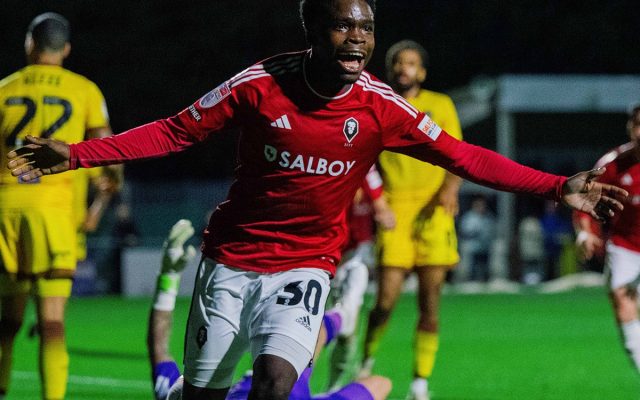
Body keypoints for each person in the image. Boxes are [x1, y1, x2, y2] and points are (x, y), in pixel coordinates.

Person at [6, 1, 627, 399]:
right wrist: (79, 153)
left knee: (276, 383)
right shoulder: (259, 86)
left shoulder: (382, 106)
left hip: (306, 265)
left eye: (367, 26)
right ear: (313, 29)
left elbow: (464, 157)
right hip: (231, 259)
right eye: (343, 25)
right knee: (204, 394)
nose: (358, 38)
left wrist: (554, 186)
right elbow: (173, 130)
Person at [0, 12, 117, 400]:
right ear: (65, 49)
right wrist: (106, 192)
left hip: (5, 206)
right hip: (54, 210)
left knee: (7, 319)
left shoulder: (4, 88)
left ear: (30, 44)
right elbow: (107, 152)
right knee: (51, 321)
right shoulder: (84, 89)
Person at [149, 219, 392, 400]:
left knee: (300, 341)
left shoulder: (193, 392)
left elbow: (158, 350)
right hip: (283, 390)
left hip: (262, 386)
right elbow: (383, 383)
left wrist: (168, 279)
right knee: (372, 381)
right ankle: (344, 315)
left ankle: (343, 316)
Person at [359, 39, 463, 400]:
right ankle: (366, 358)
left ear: (422, 71)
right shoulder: (378, 104)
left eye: (412, 63)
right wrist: (376, 203)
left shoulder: (440, 105)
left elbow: (458, 155)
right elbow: (361, 157)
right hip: (395, 209)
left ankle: (420, 382)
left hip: (434, 212)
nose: (405, 68)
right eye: (399, 63)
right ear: (391, 70)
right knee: (385, 300)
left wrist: (449, 190)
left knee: (429, 301)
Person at [573, 104, 640, 374]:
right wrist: (585, 232)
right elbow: (584, 202)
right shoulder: (612, 165)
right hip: (625, 247)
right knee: (622, 298)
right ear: (630, 128)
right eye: (637, 124)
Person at [327, 165, 394, 390]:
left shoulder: (366, 170)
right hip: (320, 257)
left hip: (355, 258)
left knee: (348, 325)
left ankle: (333, 389)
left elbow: (382, 206)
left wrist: (383, 209)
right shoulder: (327, 169)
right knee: (306, 330)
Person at [458, 194, 496, 282]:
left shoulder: (488, 216)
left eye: (482, 205)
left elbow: (492, 230)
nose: (481, 207)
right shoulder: (469, 217)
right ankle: (471, 281)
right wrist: (475, 232)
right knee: (471, 267)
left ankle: (483, 281)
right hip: (472, 247)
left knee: (484, 267)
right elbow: (464, 231)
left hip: (485, 247)